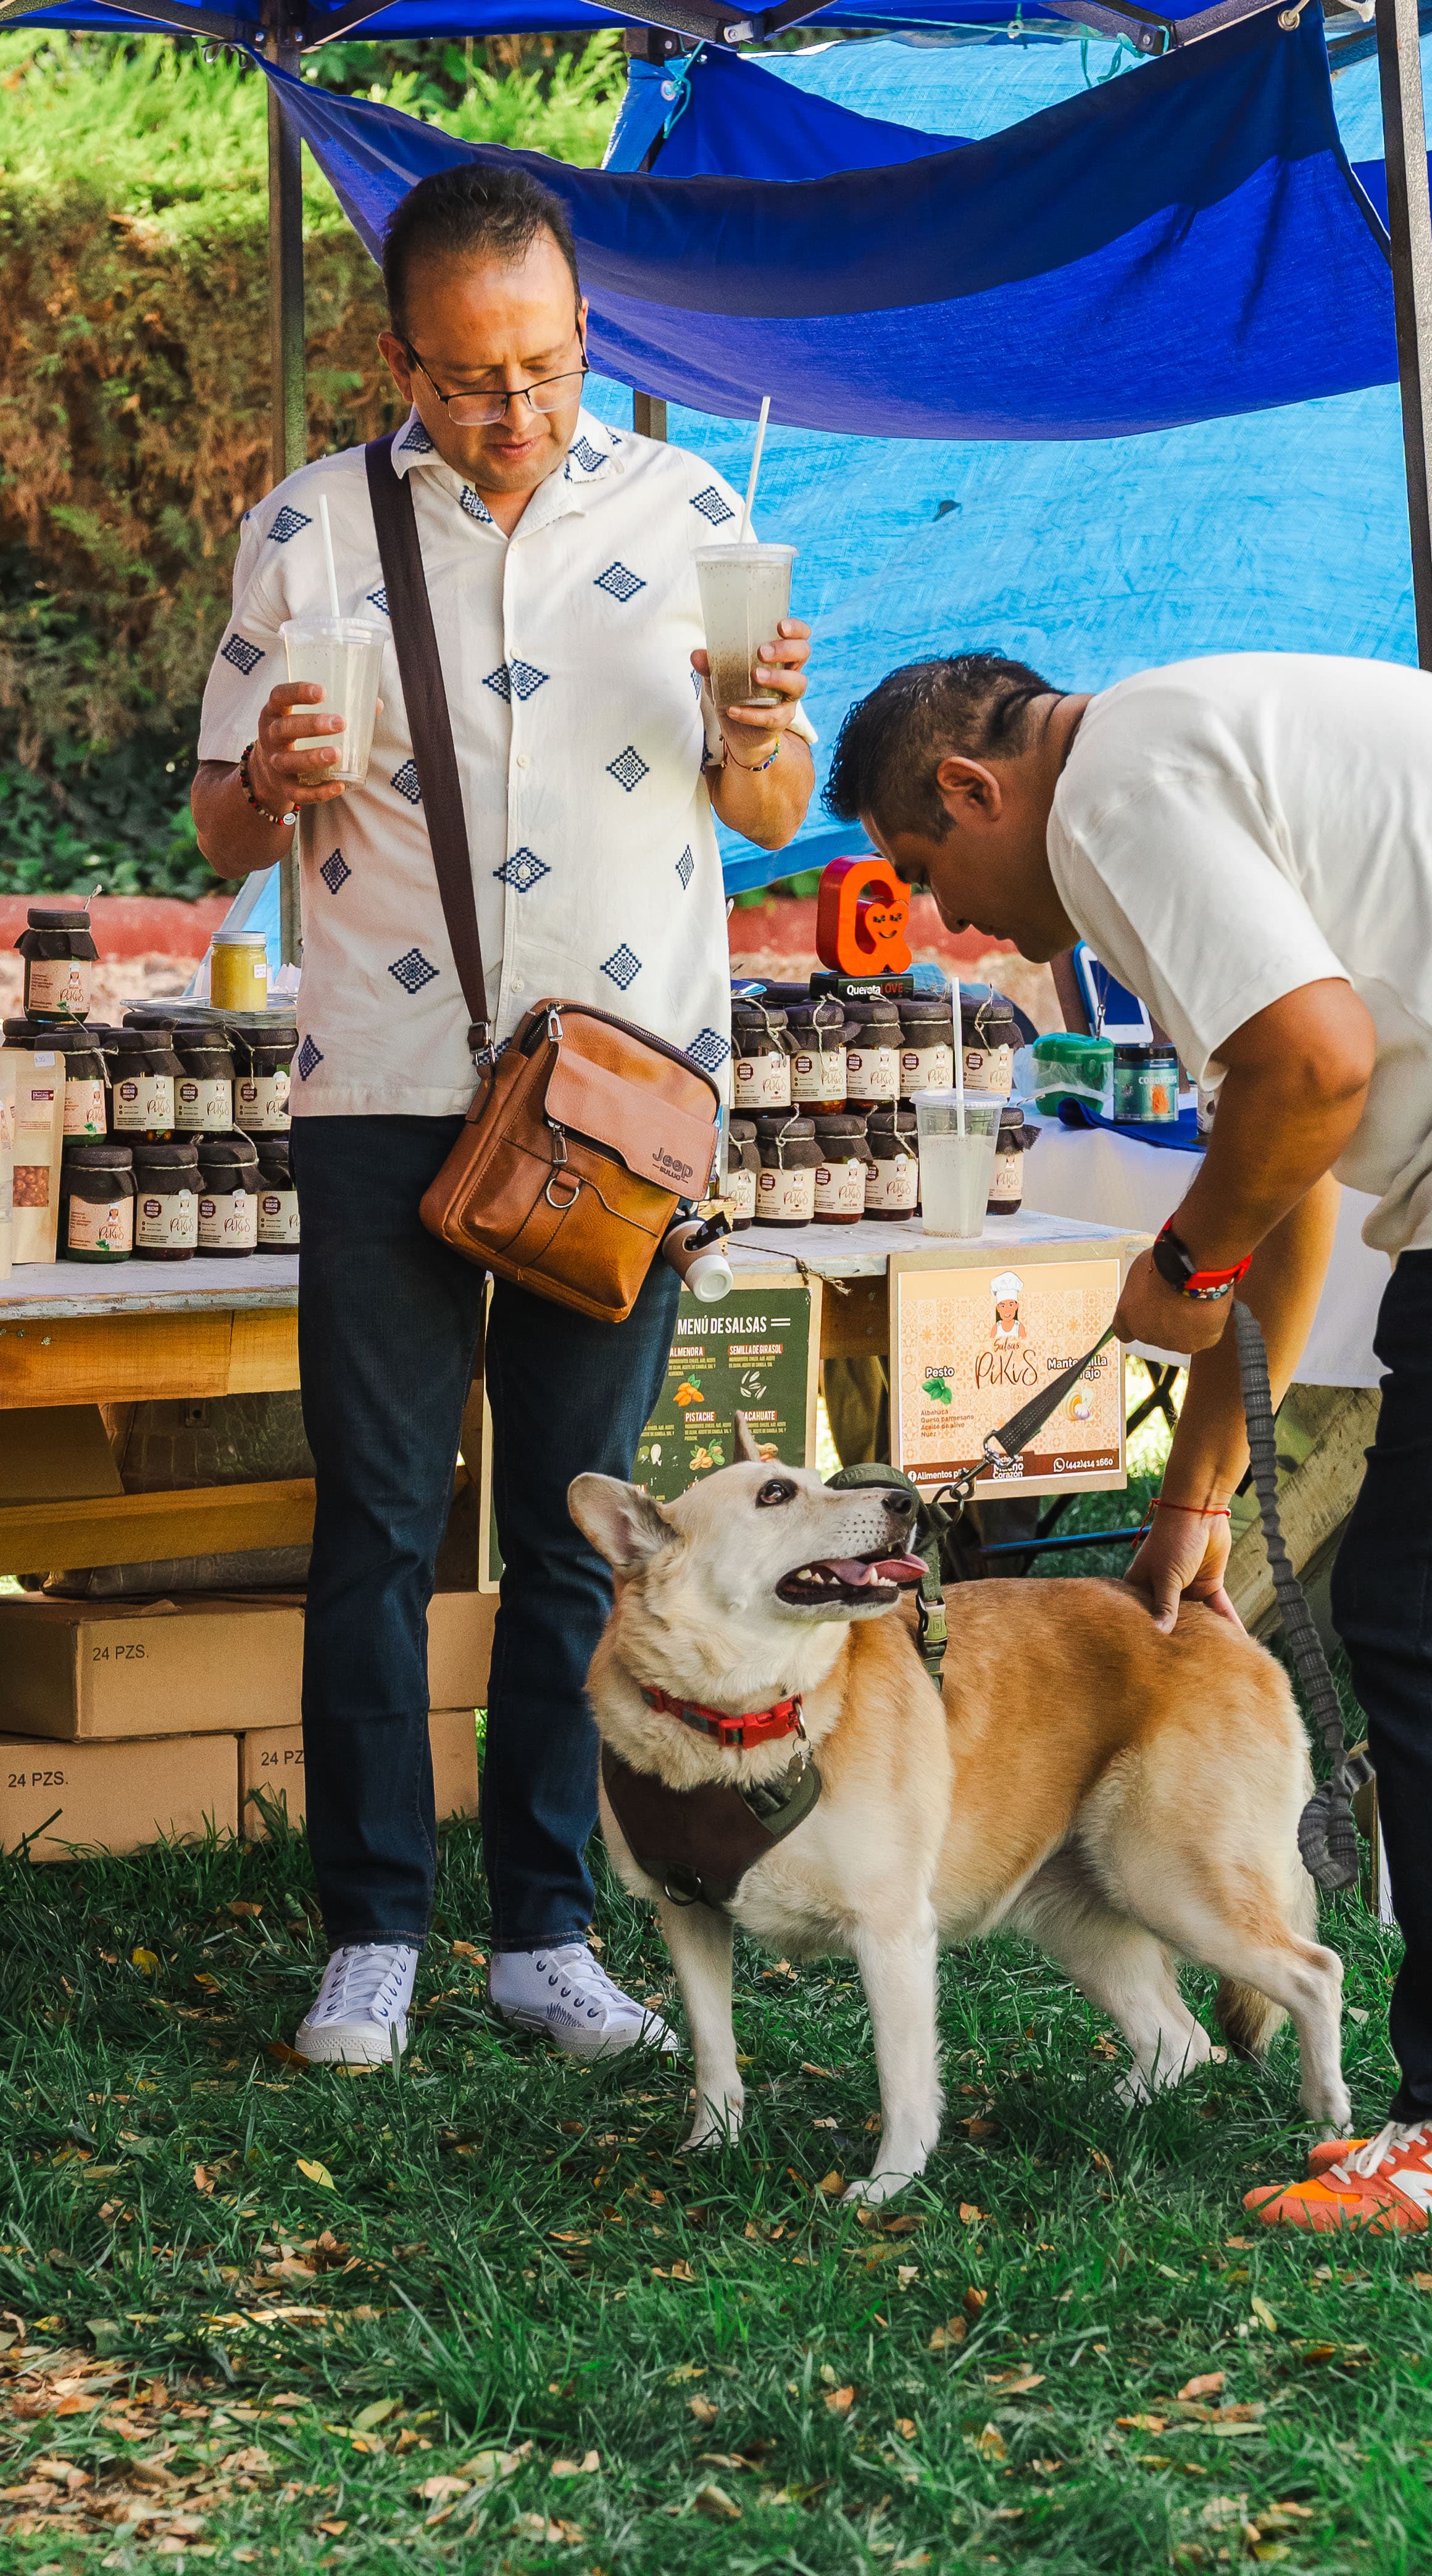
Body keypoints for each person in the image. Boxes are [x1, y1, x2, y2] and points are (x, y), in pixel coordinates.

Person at [826, 648, 1432, 2233]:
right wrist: (1196, 1489)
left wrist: (1177, 1256)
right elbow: (1290, 1173)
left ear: (973, 787)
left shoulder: (1116, 789)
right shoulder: (1194, 744)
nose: (950, 919)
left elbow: (1313, 1068)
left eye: (925, 867)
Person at [192, 162, 815, 2067]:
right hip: (384, 1091)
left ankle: (544, 1924)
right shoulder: (304, 533)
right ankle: (372, 1928)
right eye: (471, 380)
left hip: (620, 1113)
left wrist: (763, 722)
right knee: (376, 1521)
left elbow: (776, 813)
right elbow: (218, 830)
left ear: (584, 340)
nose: (518, 411)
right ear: (402, 360)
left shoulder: (699, 509)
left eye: (547, 368)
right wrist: (271, 777)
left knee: (576, 1533)